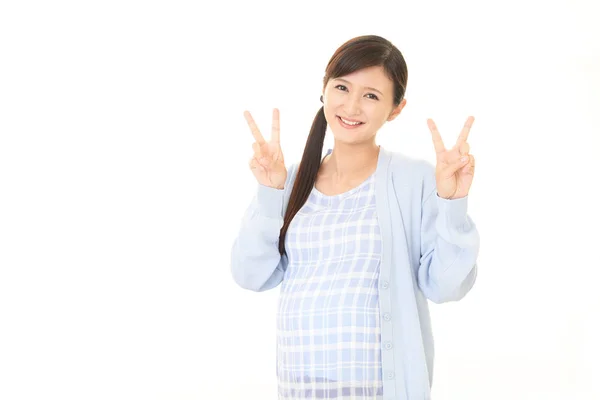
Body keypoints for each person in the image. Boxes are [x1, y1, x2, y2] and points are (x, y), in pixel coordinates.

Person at [230, 35, 479, 400]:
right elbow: (251, 276)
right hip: (301, 387)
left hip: (381, 389)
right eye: (342, 87)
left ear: (396, 108)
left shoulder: (414, 180)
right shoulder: (290, 180)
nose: (351, 106)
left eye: (371, 95)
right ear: (325, 89)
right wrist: (269, 195)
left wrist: (452, 201)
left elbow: (446, 286)